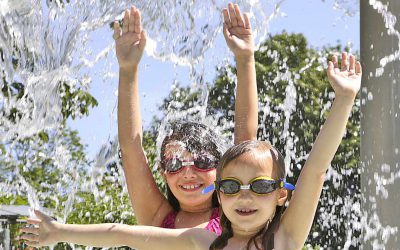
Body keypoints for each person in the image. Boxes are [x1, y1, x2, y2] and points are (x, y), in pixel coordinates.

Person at [21, 52, 362, 249]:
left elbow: (316, 169)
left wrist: (344, 99)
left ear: (279, 196)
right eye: (231, 187)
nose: (244, 197)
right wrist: (59, 231)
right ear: (220, 191)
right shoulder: (201, 241)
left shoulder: (285, 238)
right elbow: (122, 233)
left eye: (259, 186)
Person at [114, 3, 257, 233]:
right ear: (163, 172)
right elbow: (131, 147)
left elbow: (245, 140)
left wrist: (245, 59)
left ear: (221, 168)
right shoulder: (157, 217)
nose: (188, 173)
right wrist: (128, 69)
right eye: (174, 164)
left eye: (202, 162)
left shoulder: (232, 214)